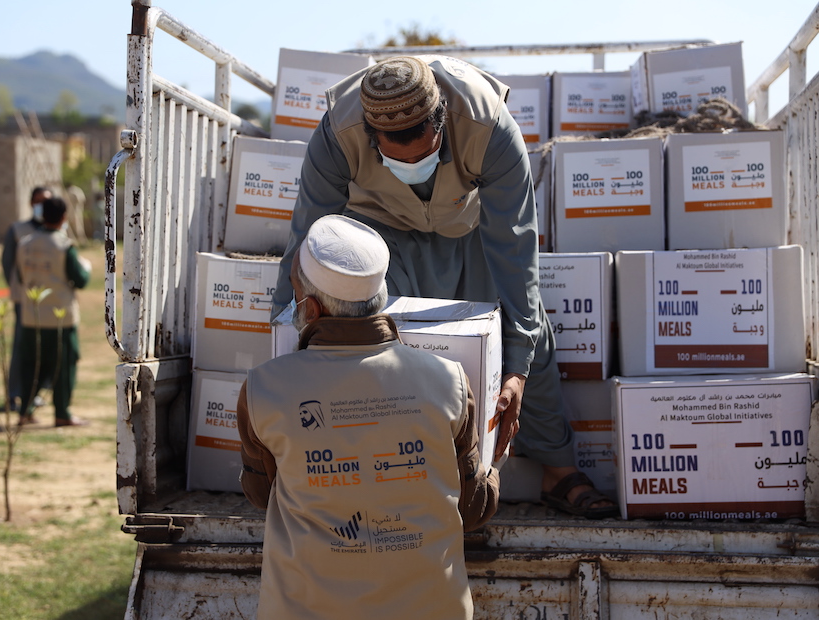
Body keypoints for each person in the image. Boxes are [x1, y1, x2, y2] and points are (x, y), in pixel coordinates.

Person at [272, 55, 616, 518]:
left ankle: (558, 470)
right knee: (374, 346)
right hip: (379, 235)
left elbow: (516, 250)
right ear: (372, 138)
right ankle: (391, 478)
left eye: (424, 154)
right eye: (397, 159)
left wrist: (516, 370)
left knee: (530, 337)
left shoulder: (488, 125)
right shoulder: (338, 133)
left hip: (471, 230)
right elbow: (307, 242)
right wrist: (287, 341)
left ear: (443, 122)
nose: (413, 165)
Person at [240, 214, 500, 620]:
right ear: (381, 297)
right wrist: (496, 463)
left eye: (294, 291)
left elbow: (260, 493)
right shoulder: (449, 380)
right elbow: (472, 508)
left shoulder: (263, 389)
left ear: (311, 308)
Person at [16, 197, 91, 427]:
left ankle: (25, 411)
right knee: (63, 366)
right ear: (64, 217)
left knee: (32, 365)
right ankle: (62, 413)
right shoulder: (63, 246)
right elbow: (80, 279)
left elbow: (20, 276)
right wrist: (86, 267)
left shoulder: (25, 243)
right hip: (60, 316)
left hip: (32, 315)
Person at [1, 186, 50, 412]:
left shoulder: (55, 230)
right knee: (22, 345)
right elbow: (8, 263)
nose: (42, 206)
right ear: (31, 203)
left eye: (46, 201)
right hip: (24, 299)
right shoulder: (18, 230)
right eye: (38, 201)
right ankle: (14, 394)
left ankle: (36, 392)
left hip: (48, 301)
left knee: (44, 348)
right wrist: (19, 289)